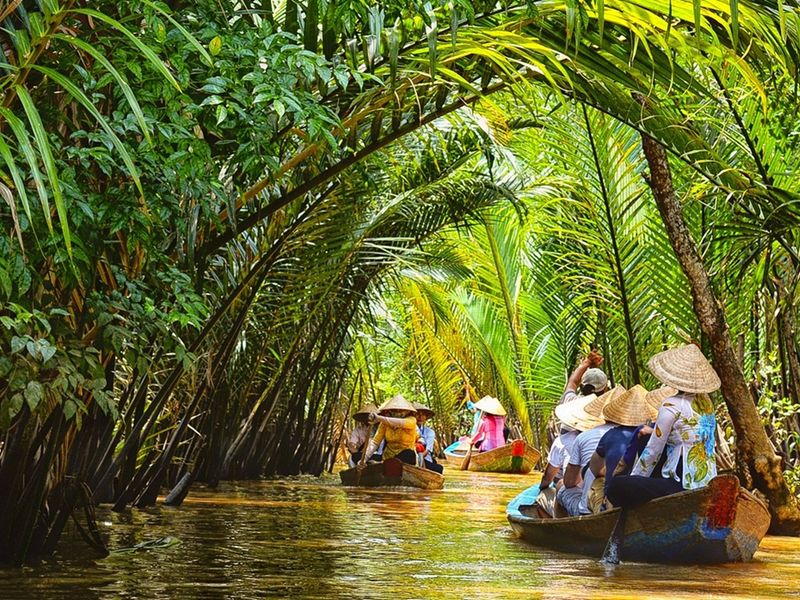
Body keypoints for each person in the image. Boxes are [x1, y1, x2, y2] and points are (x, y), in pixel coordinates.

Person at [607, 344, 721, 508]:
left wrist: (636, 479)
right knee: (646, 439)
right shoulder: (706, 404)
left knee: (616, 486)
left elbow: (653, 450)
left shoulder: (672, 404)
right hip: (707, 481)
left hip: (681, 485)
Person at [585, 385, 659, 512]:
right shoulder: (657, 434)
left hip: (617, 499)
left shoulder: (611, 435)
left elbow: (594, 469)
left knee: (597, 485)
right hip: (648, 494)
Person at [556, 386, 625, 516]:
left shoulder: (584, 436)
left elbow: (569, 482)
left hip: (588, 510)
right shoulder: (638, 434)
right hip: (621, 505)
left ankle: (557, 526)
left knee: (561, 486)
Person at [536, 392, 605, 517]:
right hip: (605, 500)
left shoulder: (566, 440)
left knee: (559, 486)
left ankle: (558, 524)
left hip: (586, 503)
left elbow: (551, 477)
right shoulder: (611, 435)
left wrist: (541, 488)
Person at [362, 394, 419, 465]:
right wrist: (364, 458)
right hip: (387, 457)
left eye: (401, 410)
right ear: (390, 411)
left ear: (407, 411)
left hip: (405, 458)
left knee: (409, 454)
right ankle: (384, 463)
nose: (398, 412)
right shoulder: (384, 423)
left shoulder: (411, 420)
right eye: (395, 410)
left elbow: (400, 423)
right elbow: (375, 443)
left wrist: (379, 418)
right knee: (357, 456)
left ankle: (383, 464)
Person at [414, 403, 444, 474]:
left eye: (423, 415)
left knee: (439, 468)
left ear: (426, 417)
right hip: (411, 457)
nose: (420, 417)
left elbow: (427, 450)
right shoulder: (407, 429)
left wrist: (418, 459)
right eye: (417, 414)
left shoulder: (430, 432)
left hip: (424, 458)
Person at [347, 403, 379, 467]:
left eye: (373, 416)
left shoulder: (380, 429)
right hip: (361, 455)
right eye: (368, 415)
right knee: (354, 457)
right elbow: (352, 445)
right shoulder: (357, 430)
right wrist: (356, 451)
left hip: (376, 455)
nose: (370, 417)